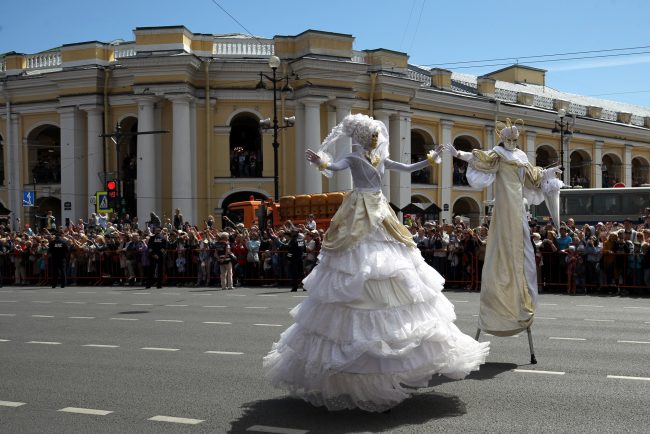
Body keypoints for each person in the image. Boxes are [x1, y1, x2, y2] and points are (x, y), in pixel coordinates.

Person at [263, 113, 489, 413]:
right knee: (358, 265)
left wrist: (432, 160)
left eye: (375, 134)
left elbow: (407, 168)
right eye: (370, 134)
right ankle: (356, 372)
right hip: (359, 210)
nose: (375, 138)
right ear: (359, 137)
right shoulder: (354, 158)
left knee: (391, 266)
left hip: (380, 212)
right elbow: (336, 166)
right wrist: (322, 162)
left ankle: (389, 367)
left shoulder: (380, 158)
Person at [444, 119, 563, 363]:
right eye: (509, 138)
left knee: (520, 253)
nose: (511, 142)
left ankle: (519, 302)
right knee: (502, 251)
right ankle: (497, 304)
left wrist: (550, 172)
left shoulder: (520, 155)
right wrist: (458, 153)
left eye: (514, 138)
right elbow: (480, 158)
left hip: (518, 209)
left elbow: (533, 177)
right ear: (503, 138)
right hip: (504, 208)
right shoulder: (497, 153)